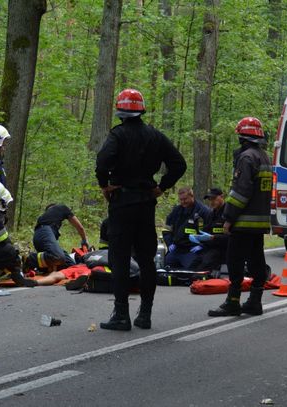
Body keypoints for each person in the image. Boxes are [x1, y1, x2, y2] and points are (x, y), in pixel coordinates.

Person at [96, 88, 186, 331]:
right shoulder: (156, 136)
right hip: (146, 203)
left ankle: (121, 314)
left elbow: (102, 162)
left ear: (120, 111)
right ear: (141, 110)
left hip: (122, 204)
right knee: (146, 260)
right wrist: (162, 187)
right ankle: (145, 314)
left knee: (120, 258)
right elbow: (179, 164)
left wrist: (105, 185)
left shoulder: (118, 135)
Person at [208, 117, 272, 317]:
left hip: (243, 222)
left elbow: (240, 192)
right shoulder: (265, 157)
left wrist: (228, 217)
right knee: (256, 261)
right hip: (259, 222)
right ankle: (255, 301)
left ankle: (233, 301)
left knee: (235, 260)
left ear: (243, 137)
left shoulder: (246, 158)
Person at [24, 204, 88, 273]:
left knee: (71, 266)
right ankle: (30, 259)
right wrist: (84, 240)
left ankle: (39, 267)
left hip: (38, 238)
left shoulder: (45, 220)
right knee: (57, 256)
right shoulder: (62, 207)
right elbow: (80, 228)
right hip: (44, 233)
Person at [162, 187, 211, 270]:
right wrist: (170, 243)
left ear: (192, 196)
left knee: (191, 269)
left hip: (192, 250)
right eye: (181, 200)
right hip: (176, 248)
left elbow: (210, 231)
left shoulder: (203, 211)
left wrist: (203, 245)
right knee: (165, 267)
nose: (183, 202)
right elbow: (167, 229)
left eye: (185, 199)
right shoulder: (176, 210)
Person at [188, 187, 228, 272]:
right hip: (209, 248)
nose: (212, 202)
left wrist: (213, 237)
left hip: (223, 249)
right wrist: (198, 238)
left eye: (214, 198)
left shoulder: (228, 213)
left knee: (201, 270)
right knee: (191, 266)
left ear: (222, 196)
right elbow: (206, 231)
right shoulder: (211, 214)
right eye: (210, 199)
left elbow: (232, 237)